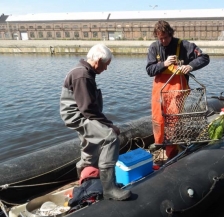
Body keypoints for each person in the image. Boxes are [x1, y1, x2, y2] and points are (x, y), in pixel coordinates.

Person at [60, 44, 131, 201]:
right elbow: (89, 110)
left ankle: (86, 186)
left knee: (90, 147)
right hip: (79, 117)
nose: (106, 68)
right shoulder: (82, 75)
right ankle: (109, 189)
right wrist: (109, 125)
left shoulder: (84, 72)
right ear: (98, 60)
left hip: (82, 114)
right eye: (106, 64)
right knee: (110, 138)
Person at [146, 20, 210, 159]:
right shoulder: (154, 47)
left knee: (173, 121)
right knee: (158, 119)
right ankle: (159, 146)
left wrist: (191, 66)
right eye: (160, 38)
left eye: (165, 37)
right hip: (159, 91)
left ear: (171, 34)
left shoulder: (184, 45)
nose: (163, 41)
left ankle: (171, 152)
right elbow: (150, 70)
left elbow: (204, 58)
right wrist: (164, 64)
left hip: (177, 92)